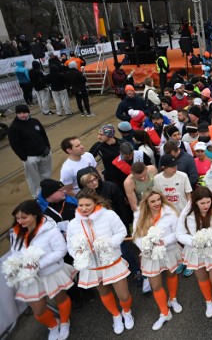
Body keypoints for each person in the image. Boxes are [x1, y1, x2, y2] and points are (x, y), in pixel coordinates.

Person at [66, 189, 134, 335]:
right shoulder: (73, 224)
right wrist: (78, 254)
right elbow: (70, 246)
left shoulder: (108, 215)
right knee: (104, 293)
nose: (83, 208)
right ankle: (116, 315)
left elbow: (121, 232)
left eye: (87, 205)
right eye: (81, 205)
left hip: (112, 262)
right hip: (92, 267)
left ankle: (127, 312)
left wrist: (109, 244)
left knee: (124, 295)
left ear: (96, 203)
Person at [8, 200, 76, 340]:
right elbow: (14, 252)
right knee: (38, 311)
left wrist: (39, 264)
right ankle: (52, 325)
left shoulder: (50, 229)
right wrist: (18, 264)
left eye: (24, 217)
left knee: (60, 299)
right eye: (17, 218)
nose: (20, 221)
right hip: (30, 277)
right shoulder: (15, 233)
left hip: (52, 272)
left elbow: (61, 250)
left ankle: (64, 322)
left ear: (34, 215)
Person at [132, 189, 183, 330]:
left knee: (171, 274)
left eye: (158, 200)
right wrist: (145, 246)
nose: (157, 203)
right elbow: (135, 236)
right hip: (150, 255)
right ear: (146, 203)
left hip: (169, 251)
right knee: (155, 285)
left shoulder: (170, 213)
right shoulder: (139, 215)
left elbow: (177, 233)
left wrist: (163, 242)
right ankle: (164, 313)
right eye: (152, 201)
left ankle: (173, 299)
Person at [176, 187, 212, 319]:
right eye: (202, 203)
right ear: (195, 203)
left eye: (208, 202)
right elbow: (179, 234)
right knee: (202, 278)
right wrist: (194, 241)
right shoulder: (187, 214)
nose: (206, 206)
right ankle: (209, 301)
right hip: (195, 251)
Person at [8, 104, 52, 198]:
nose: (22, 115)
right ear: (16, 114)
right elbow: (14, 144)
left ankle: (48, 190)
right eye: (19, 113)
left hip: (44, 153)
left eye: (24, 112)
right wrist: (24, 157)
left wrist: (47, 147)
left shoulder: (35, 121)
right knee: (33, 178)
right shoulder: (14, 127)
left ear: (28, 112)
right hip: (30, 157)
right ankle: (37, 195)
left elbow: (43, 135)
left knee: (46, 174)